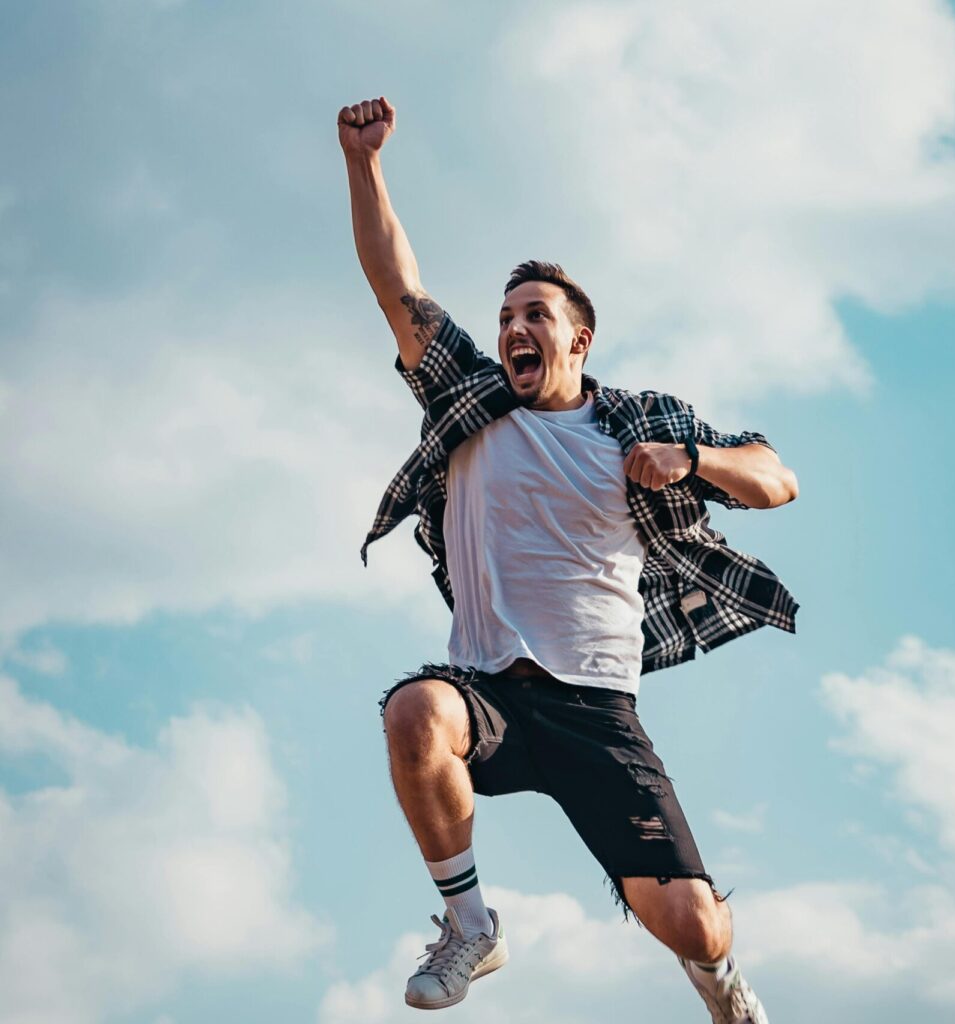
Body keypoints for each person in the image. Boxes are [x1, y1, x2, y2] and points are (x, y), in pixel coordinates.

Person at [339, 96, 799, 1022]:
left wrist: (693, 460)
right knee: (414, 712)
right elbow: (398, 288)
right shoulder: (469, 399)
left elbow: (776, 476)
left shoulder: (634, 422)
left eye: (536, 314)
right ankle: (471, 925)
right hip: (491, 693)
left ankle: (717, 983)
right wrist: (363, 164)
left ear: (577, 339)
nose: (515, 326)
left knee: (694, 921)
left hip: (599, 710)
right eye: (506, 314)